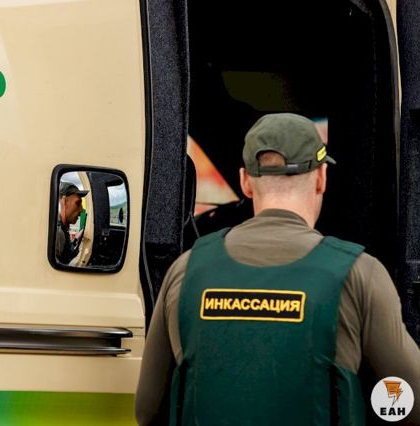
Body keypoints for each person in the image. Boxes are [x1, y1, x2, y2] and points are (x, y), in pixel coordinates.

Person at [135, 113, 420, 425]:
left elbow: (148, 410)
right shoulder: (359, 274)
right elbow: (411, 406)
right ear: (321, 178)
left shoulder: (185, 271)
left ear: (245, 181)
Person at [55, 182, 88, 264]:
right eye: (78, 203)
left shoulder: (63, 228)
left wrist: (76, 239)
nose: (82, 210)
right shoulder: (58, 233)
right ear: (65, 202)